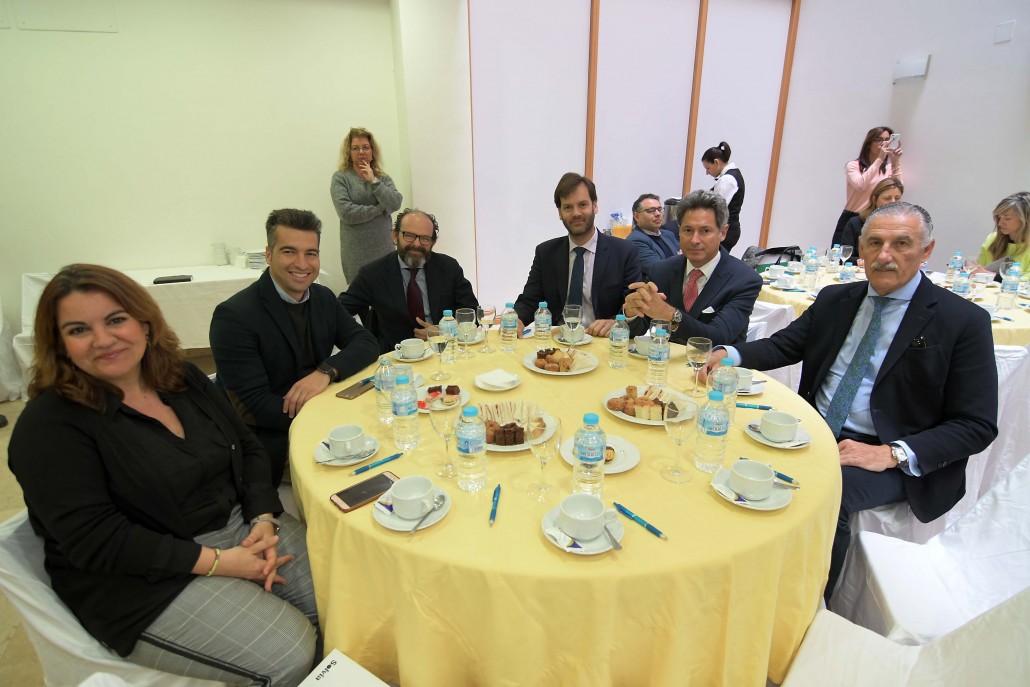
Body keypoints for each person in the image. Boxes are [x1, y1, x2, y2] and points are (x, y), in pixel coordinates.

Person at [9, 265, 320, 686]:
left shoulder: (181, 378)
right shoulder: (49, 426)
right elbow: (97, 539)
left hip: (239, 525)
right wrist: (221, 563)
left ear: (145, 322)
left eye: (115, 320)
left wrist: (263, 517)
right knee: (289, 653)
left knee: (342, 599)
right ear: (59, 344)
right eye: (79, 330)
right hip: (142, 578)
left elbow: (245, 446)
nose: (103, 339)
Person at [706, 202, 998, 603]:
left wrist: (891, 454)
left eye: (901, 244)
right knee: (721, 449)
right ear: (860, 247)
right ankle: (733, 577)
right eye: (874, 243)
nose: (884, 255)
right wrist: (731, 354)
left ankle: (807, 606)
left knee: (827, 493)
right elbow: (784, 345)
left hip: (887, 453)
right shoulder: (836, 299)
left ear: (927, 251)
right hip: (812, 432)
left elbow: (976, 424)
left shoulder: (962, 321)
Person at [210, 209, 378, 485]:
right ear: (268, 254)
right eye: (289, 252)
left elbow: (366, 342)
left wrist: (325, 372)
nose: (302, 263)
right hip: (275, 436)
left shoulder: (322, 297)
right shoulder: (234, 316)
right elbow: (254, 406)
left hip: (322, 416)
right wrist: (329, 416)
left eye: (311, 253)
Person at [623, 190, 762, 345]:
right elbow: (638, 330)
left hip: (717, 360)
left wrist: (671, 315)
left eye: (705, 231)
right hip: (664, 358)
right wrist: (631, 313)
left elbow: (719, 336)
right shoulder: (661, 270)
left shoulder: (744, 279)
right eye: (688, 230)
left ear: (723, 232)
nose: (695, 240)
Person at [513, 172, 642, 337]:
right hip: (557, 341)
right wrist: (516, 319)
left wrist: (617, 323)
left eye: (582, 205)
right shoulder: (546, 253)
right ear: (560, 212)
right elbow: (530, 300)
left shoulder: (624, 252)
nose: (576, 213)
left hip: (601, 340)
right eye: (568, 207)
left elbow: (634, 308)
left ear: (595, 206)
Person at [339, 208, 479, 353]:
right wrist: (359, 341)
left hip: (444, 350)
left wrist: (443, 331)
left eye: (425, 238)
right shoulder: (373, 273)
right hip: (395, 355)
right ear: (395, 235)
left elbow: (471, 313)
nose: (417, 244)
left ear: (432, 242)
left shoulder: (448, 267)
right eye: (409, 236)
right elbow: (338, 311)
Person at [330, 127, 404, 284]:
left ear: (372, 151)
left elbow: (395, 203)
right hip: (356, 254)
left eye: (365, 147)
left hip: (384, 250)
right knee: (361, 296)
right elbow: (347, 213)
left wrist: (373, 181)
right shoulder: (340, 178)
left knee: (388, 293)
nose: (361, 152)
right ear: (349, 152)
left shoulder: (382, 178)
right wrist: (380, 208)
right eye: (355, 148)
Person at [831, 126, 904, 246]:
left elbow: (898, 189)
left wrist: (895, 162)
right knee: (842, 254)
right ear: (869, 143)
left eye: (888, 140)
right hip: (853, 217)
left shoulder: (888, 169)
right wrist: (880, 159)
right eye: (879, 140)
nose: (884, 143)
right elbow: (860, 185)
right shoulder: (854, 166)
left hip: (878, 218)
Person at [839, 178, 904, 256]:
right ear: (874, 200)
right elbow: (845, 256)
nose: (893, 202)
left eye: (897, 198)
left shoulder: (905, 226)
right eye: (887, 198)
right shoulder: (855, 223)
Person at [974, 192, 1030, 279]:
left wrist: (992, 275)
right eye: (999, 218)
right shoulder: (992, 238)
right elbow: (979, 268)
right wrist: (971, 271)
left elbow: (1026, 281)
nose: (1000, 223)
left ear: (1026, 220)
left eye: (1007, 218)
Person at [625, 193, 681, 279]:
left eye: (659, 209)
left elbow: (687, 257)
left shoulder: (668, 234)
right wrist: (680, 258)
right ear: (636, 216)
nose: (658, 214)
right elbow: (659, 269)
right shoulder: (635, 241)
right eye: (651, 211)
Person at [701, 142, 745, 252]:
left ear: (716, 162)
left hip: (726, 230)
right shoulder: (732, 174)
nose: (707, 172)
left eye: (708, 168)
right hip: (729, 229)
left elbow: (715, 207)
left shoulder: (727, 180)